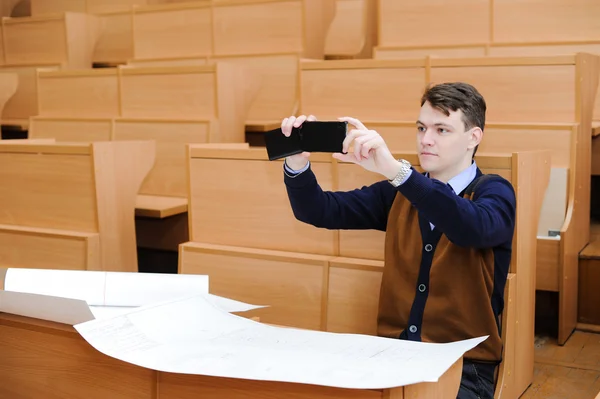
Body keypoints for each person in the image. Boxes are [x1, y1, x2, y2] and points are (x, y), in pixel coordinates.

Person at [280, 82, 516, 399]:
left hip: (464, 367)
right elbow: (320, 210)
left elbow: (468, 226)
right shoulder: (398, 192)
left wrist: (396, 170)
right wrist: (297, 163)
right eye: (421, 128)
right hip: (392, 356)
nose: (425, 140)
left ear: (473, 137)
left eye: (441, 130)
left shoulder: (495, 191)